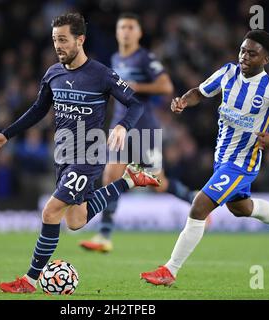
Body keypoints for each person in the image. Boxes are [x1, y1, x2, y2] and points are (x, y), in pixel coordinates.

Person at [0, 12, 160, 294]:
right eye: (54, 40)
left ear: (80, 39)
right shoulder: (53, 73)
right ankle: (129, 180)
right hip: (62, 155)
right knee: (75, 221)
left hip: (88, 155)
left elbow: (135, 103)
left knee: (50, 212)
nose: (58, 46)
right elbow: (38, 110)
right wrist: (7, 134)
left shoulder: (101, 74)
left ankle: (28, 281)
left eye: (63, 40)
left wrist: (124, 127)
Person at [140, 30, 269, 286]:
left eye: (252, 54)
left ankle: (170, 270)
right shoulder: (227, 72)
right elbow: (200, 91)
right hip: (222, 158)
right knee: (240, 208)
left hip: (242, 163)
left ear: (266, 60)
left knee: (199, 206)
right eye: (243, 50)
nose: (244, 57)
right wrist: (185, 101)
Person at [79, 13, 196, 253]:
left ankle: (195, 200)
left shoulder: (144, 58)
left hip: (144, 129)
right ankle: (104, 236)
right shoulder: (114, 58)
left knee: (158, 183)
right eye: (122, 27)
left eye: (131, 27)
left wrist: (137, 87)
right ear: (116, 32)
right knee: (110, 176)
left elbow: (166, 86)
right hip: (120, 126)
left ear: (139, 33)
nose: (126, 31)